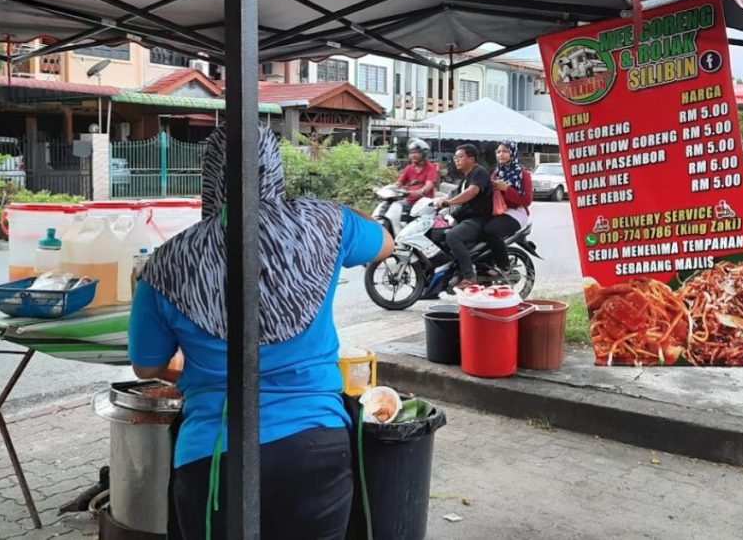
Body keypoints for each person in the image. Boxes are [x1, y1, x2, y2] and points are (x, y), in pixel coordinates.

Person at [127, 126, 393, 540]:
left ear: (211, 176)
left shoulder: (167, 263)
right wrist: (337, 209)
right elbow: (386, 245)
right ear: (275, 168)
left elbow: (146, 368)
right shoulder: (325, 223)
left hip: (215, 456)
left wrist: (196, 372)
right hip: (316, 447)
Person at [435, 144, 492, 289]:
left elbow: (472, 192)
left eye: (460, 157)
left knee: (453, 236)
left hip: (478, 219)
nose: (456, 160)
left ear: (471, 159)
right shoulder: (466, 177)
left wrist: (449, 202)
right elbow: (454, 194)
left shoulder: (480, 172)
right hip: (464, 219)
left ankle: (469, 276)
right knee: (438, 234)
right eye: (455, 157)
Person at [484, 140, 533, 274]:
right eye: (498, 152)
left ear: (513, 153)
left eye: (505, 151)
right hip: (498, 211)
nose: (501, 154)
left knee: (491, 231)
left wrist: (506, 189)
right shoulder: (496, 173)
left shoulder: (523, 174)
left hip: (516, 213)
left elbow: (527, 200)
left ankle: (504, 266)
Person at [395, 138, 439, 218]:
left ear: (423, 154)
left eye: (416, 153)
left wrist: (419, 192)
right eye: (411, 153)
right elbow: (399, 183)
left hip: (423, 204)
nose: (412, 155)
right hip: (409, 201)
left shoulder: (431, 168)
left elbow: (429, 185)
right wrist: (390, 189)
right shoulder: (409, 168)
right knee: (394, 206)